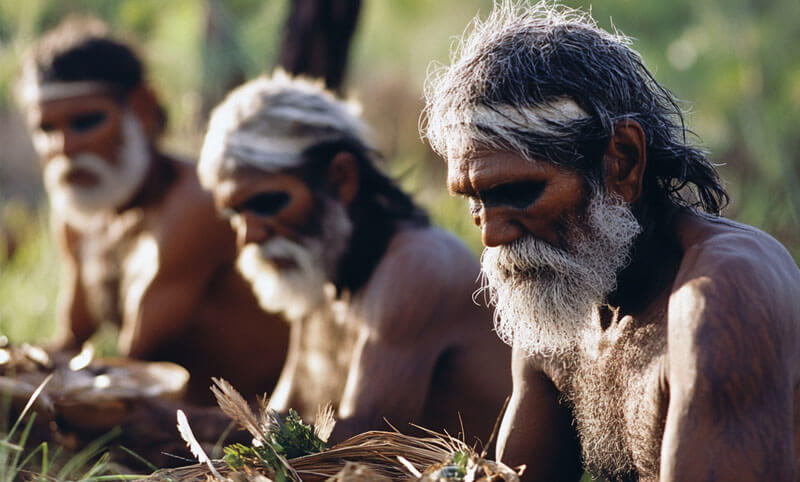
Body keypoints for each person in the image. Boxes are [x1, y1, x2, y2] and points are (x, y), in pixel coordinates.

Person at [422, 1, 800, 481]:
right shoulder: (560, 308)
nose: (492, 234)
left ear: (621, 161)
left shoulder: (723, 295)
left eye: (518, 192)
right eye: (474, 201)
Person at [197, 70, 512, 443]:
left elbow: (361, 445)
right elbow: (285, 421)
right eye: (235, 214)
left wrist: (185, 424)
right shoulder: (320, 273)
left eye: (267, 203)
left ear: (341, 177)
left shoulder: (417, 267)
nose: (249, 235)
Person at [18, 17, 289, 405]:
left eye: (85, 122)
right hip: (158, 426)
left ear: (142, 109)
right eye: (46, 129)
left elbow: (136, 361)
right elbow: (71, 342)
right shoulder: (79, 215)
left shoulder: (197, 203)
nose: (64, 147)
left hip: (243, 433)